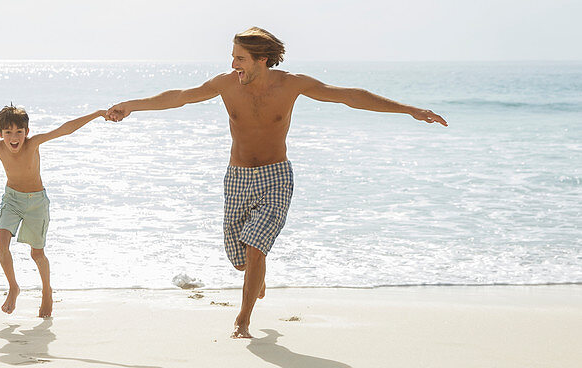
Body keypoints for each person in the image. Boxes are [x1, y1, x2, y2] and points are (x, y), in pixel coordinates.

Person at [106, 27, 447, 338]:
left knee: (255, 250)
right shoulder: (225, 84)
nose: (234, 64)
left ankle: (242, 320)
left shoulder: (291, 84)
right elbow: (179, 96)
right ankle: (257, 275)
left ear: (261, 60)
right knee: (240, 258)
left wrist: (408, 109)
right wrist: (131, 106)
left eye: (240, 58)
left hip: (276, 176)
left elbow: (349, 96)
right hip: (238, 177)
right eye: (233, 57)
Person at [0, 105, 107, 318]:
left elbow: (65, 129)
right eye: (8, 132)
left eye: (19, 132)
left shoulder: (33, 144)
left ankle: (47, 291)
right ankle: (13, 287)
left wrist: (97, 114)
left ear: (27, 132)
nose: (14, 138)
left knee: (37, 253)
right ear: (0, 133)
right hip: (12, 199)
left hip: (36, 203)